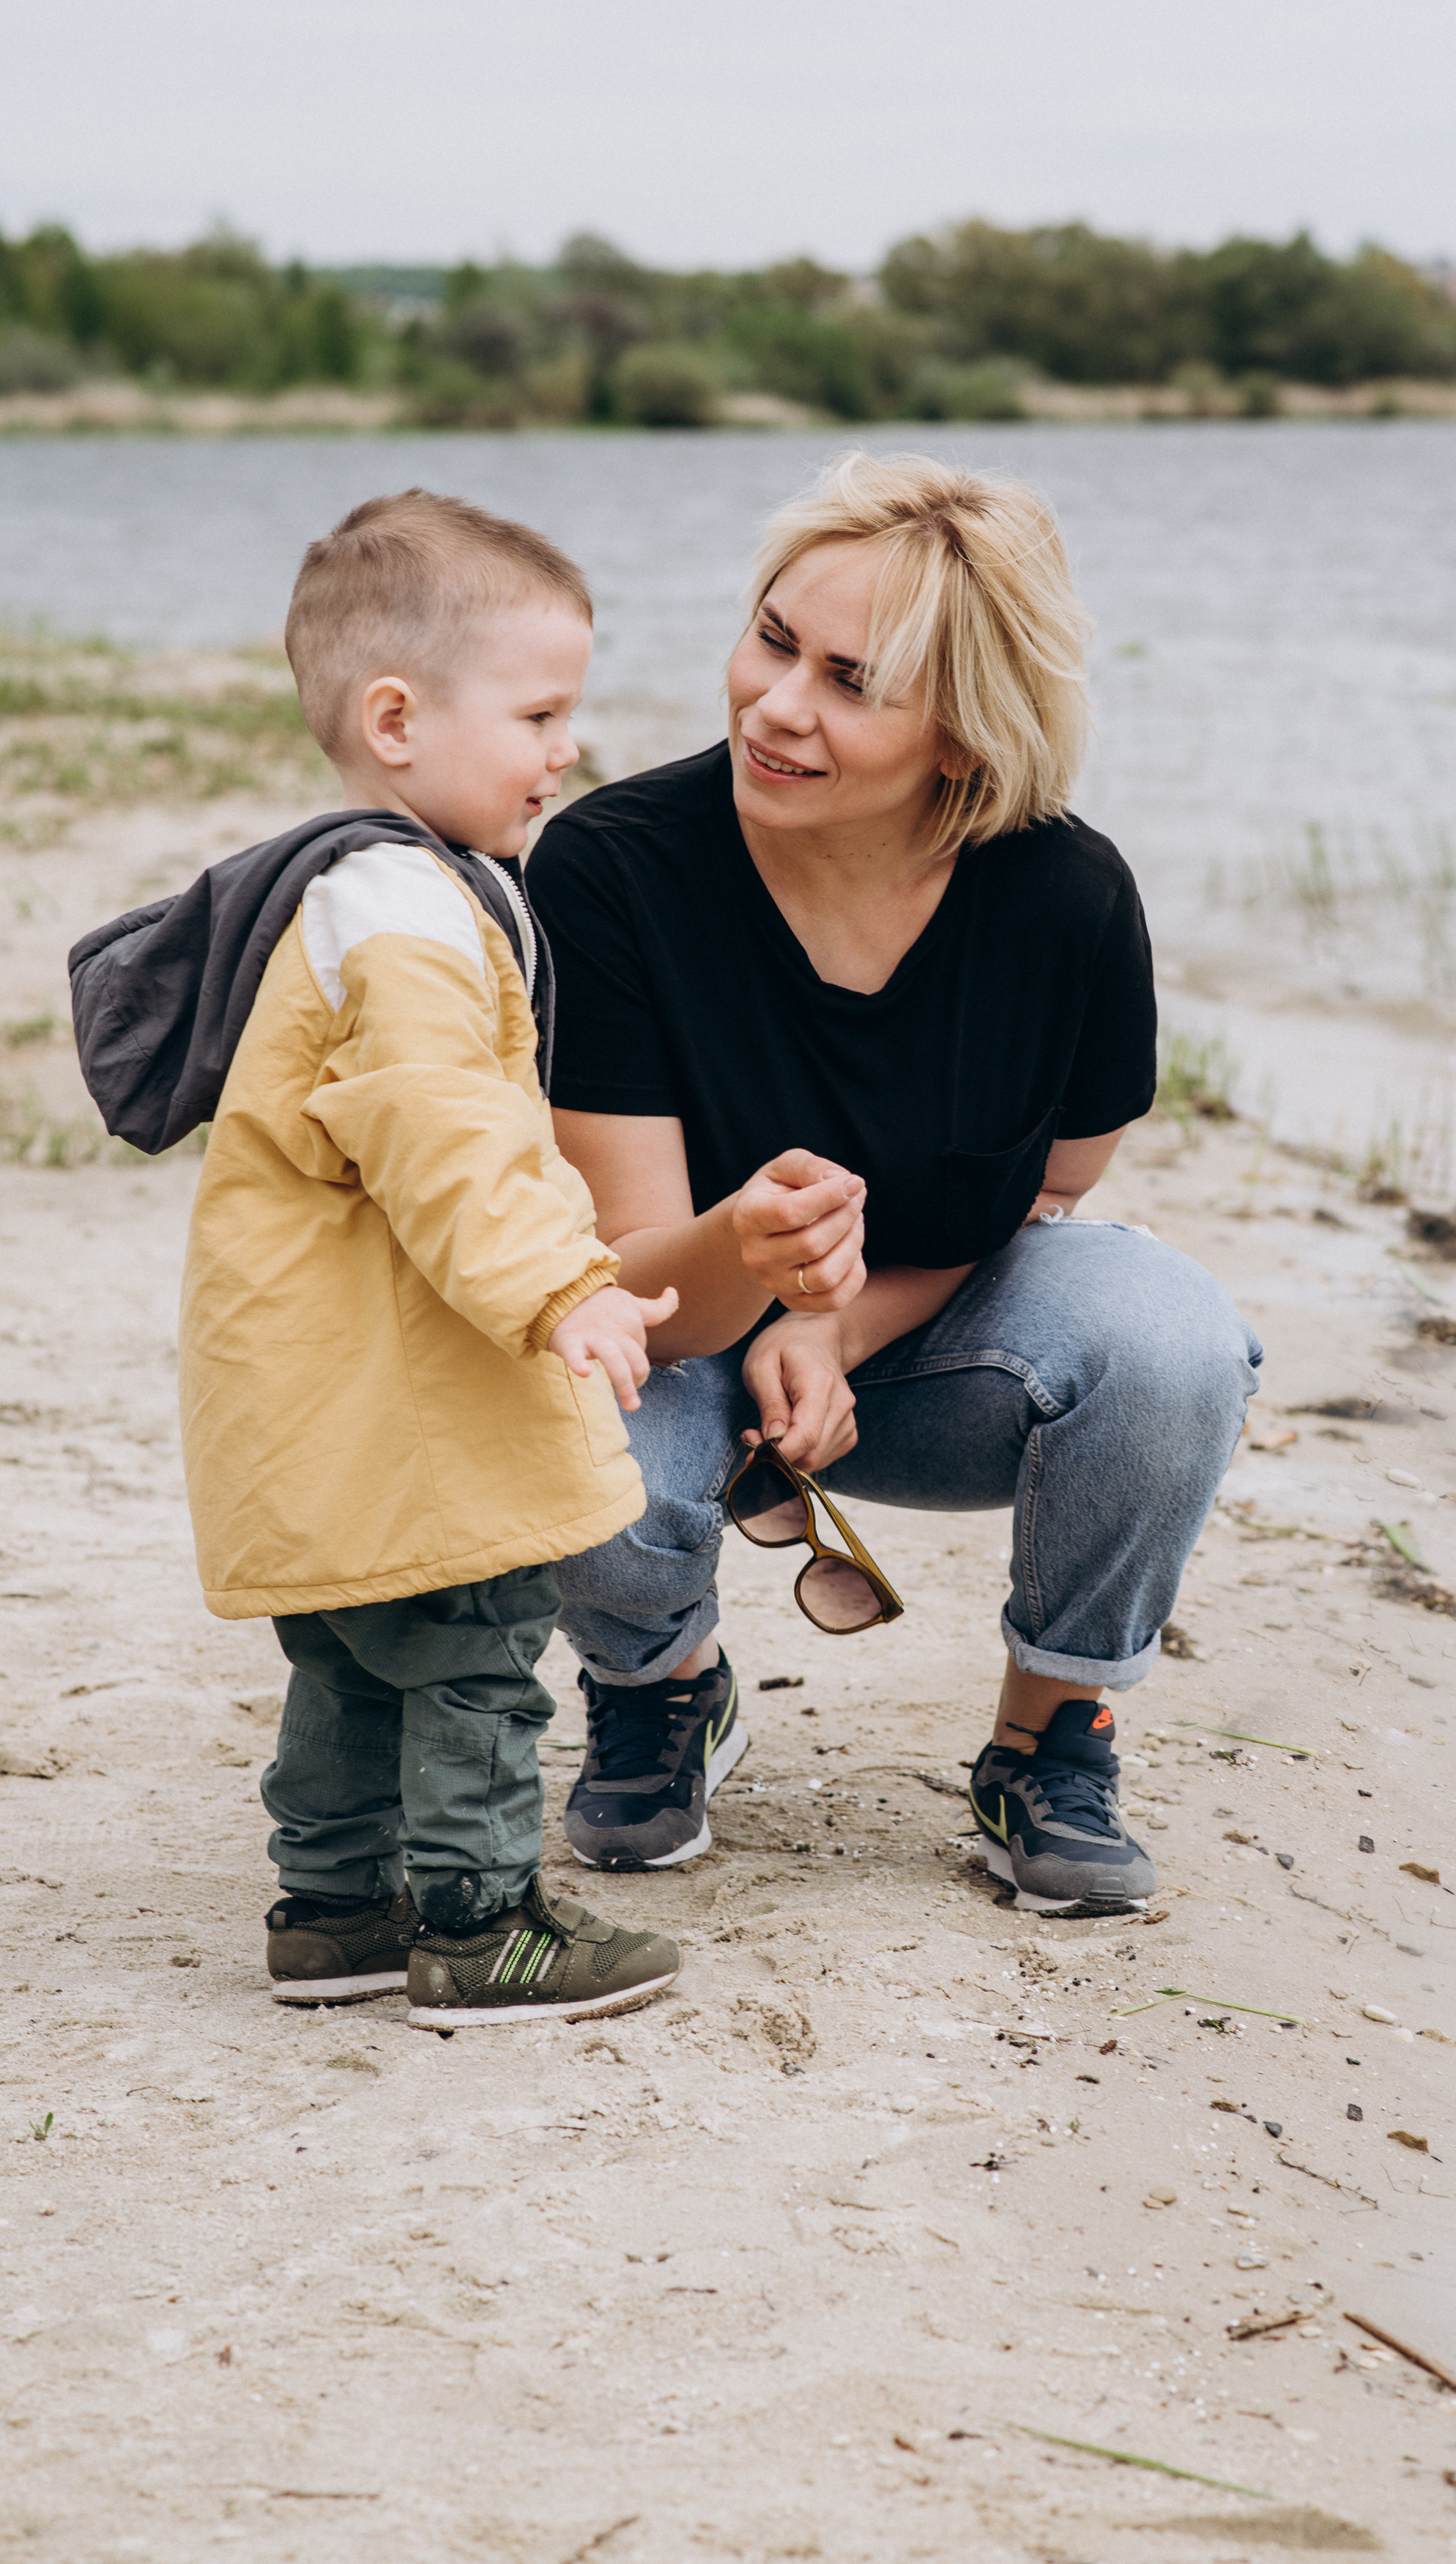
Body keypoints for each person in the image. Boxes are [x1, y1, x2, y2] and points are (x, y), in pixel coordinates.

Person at [529, 452, 1263, 1915]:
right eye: (774, 637)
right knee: (553, 1394)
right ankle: (660, 1686)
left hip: (919, 1357)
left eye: (852, 682)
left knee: (1172, 1337)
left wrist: (838, 1321)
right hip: (665, 1335)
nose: (776, 702)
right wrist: (755, 1256)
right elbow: (636, 1289)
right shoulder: (611, 868)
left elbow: (1041, 1201)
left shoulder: (1065, 900)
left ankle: (1049, 1741)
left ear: (966, 736)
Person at [176, 490, 684, 2025]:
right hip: (396, 1393)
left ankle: (332, 1911)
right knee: (471, 1636)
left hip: (314, 1381)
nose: (564, 749)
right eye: (539, 713)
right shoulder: (401, 907)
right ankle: (478, 1923)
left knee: (348, 1645)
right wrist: (565, 1284)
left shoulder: (344, 889)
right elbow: (446, 1129)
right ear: (397, 719)